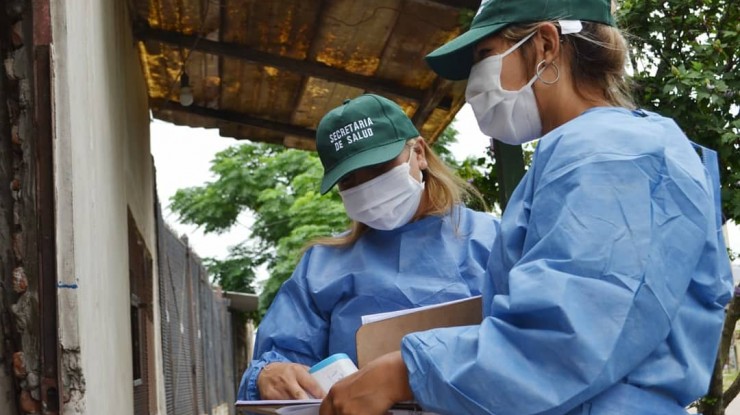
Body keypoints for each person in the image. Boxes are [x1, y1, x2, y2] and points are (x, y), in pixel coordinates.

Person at [319, 0, 734, 414]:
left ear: (547, 45)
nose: (473, 85)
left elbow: (568, 338)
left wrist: (406, 372)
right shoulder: (599, 148)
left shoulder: (609, 154)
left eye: (484, 55)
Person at [236, 93, 500, 401]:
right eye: (349, 180)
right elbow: (280, 359)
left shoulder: (491, 239)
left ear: (419, 153)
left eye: (379, 167)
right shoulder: (321, 268)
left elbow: (537, 343)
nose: (368, 187)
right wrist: (268, 375)